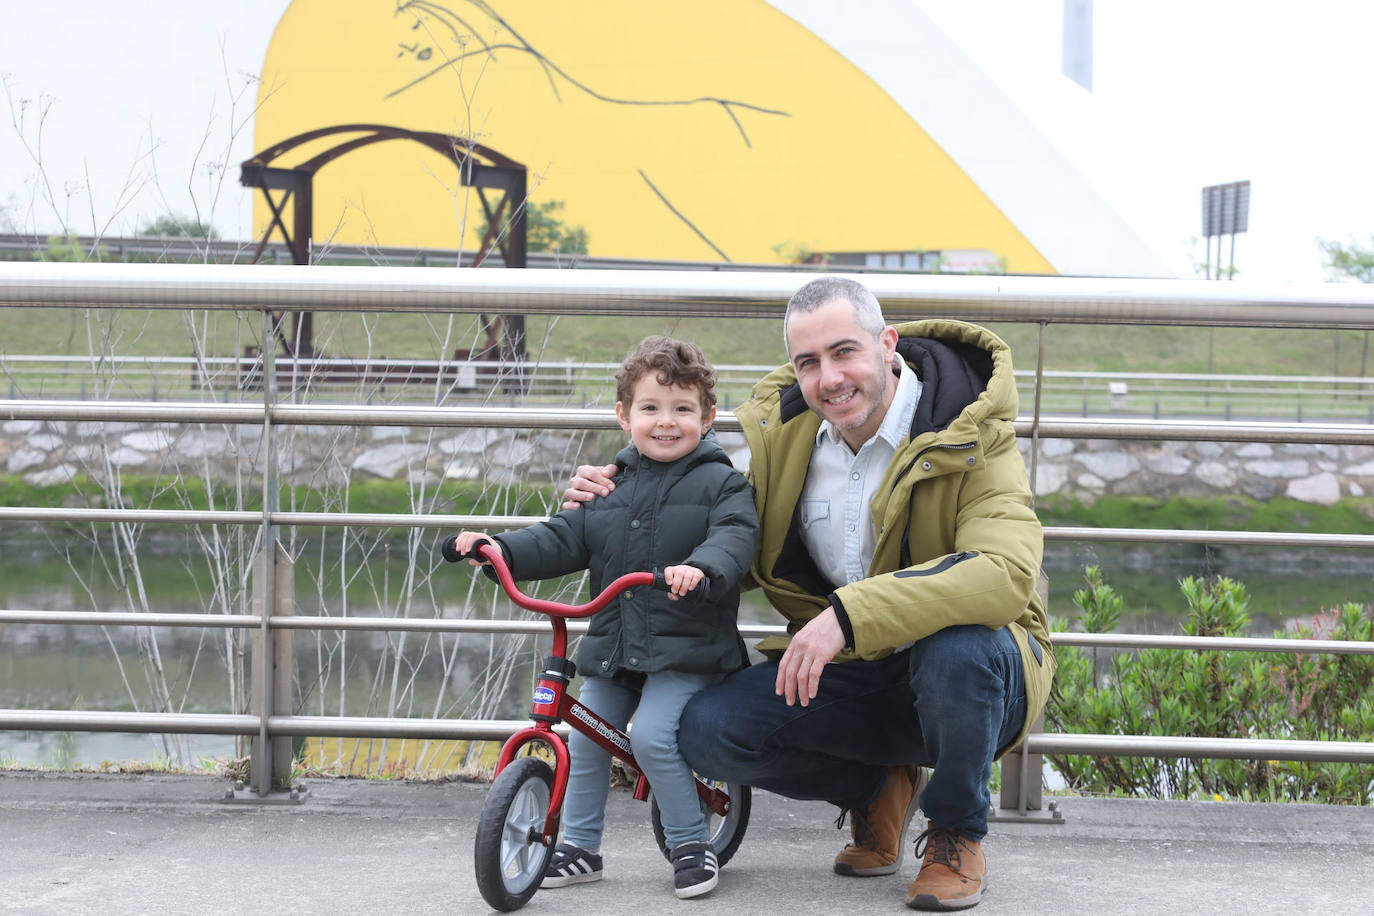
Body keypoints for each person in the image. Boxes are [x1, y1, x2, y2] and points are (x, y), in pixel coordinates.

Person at [563, 277, 1054, 911]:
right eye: (808, 363)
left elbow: (1003, 573)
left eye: (844, 352)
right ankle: (875, 785)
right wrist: (617, 502)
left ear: (886, 344)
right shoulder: (786, 437)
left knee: (957, 652)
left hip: (983, 667)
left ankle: (956, 830)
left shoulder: (968, 428)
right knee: (705, 730)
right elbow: (722, 544)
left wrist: (848, 617)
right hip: (852, 668)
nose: (829, 378)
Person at [452, 335, 758, 901]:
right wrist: (499, 550)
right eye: (650, 408)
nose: (666, 422)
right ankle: (579, 847)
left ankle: (692, 843)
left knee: (652, 736)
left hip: (688, 649)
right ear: (624, 415)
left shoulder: (724, 484)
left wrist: (700, 569)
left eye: (682, 409)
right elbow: (562, 537)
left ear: (708, 417)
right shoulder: (607, 489)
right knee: (584, 733)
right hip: (617, 648)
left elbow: (734, 540)